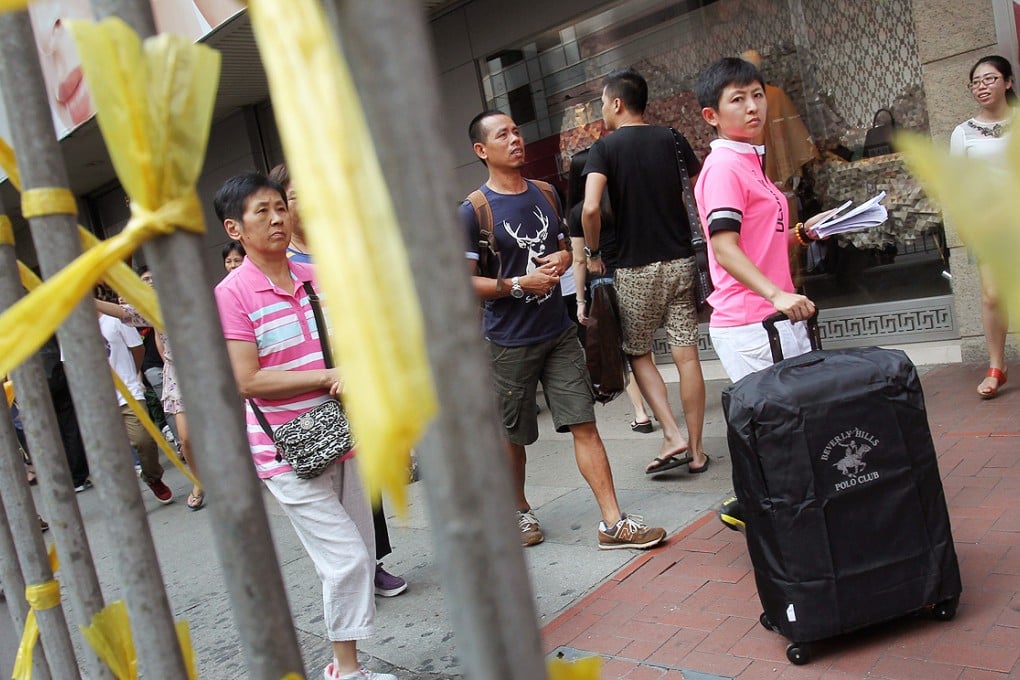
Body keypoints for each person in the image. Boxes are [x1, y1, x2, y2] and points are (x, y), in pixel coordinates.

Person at [213, 173, 395, 680]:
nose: (276, 218)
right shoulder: (231, 294)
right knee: (348, 562)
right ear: (234, 228)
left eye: (279, 208)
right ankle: (346, 672)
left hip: (342, 432)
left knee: (357, 553)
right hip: (285, 450)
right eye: (261, 212)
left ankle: (345, 667)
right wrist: (326, 374)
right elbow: (247, 379)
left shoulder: (316, 275)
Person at [461, 110, 667, 551]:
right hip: (507, 342)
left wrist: (557, 261)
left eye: (517, 130)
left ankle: (613, 523)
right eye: (503, 135)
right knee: (512, 436)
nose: (516, 139)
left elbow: (558, 249)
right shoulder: (473, 210)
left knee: (584, 423)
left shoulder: (547, 193)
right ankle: (518, 510)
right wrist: (518, 283)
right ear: (482, 150)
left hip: (557, 332)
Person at [267, 163, 407, 598]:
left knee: (365, 475)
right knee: (325, 477)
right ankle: (342, 568)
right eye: (293, 196)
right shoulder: (281, 261)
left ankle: (373, 561)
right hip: (313, 382)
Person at [581, 68, 709, 475]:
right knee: (687, 356)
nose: (602, 110)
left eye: (603, 102)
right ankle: (698, 452)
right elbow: (699, 189)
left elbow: (588, 209)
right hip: (681, 262)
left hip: (635, 268)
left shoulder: (605, 149)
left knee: (638, 351)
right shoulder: (673, 139)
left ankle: (672, 433)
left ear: (617, 103)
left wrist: (593, 250)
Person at [96, 268, 205, 510]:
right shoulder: (151, 309)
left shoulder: (191, 298)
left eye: (156, 277)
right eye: (146, 280)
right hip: (177, 375)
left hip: (207, 368)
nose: (151, 282)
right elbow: (124, 313)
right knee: (186, 438)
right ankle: (199, 481)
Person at [565, 148, 652, 432]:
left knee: (620, 354)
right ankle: (659, 411)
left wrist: (580, 301)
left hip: (603, 289)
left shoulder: (578, 213)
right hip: (632, 278)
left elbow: (579, 261)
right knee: (641, 351)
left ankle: (641, 413)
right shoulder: (622, 203)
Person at [950, 55, 1015, 399]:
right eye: (976, 82)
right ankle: (997, 366)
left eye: (989, 79)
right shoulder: (963, 133)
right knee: (992, 294)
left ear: (1007, 82)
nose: (982, 86)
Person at [97, 304, 174, 505]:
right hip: (97, 400)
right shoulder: (67, 329)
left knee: (143, 440)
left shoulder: (113, 320)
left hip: (128, 392)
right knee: (111, 451)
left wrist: (132, 374)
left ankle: (152, 477)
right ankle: (125, 496)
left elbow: (137, 349)